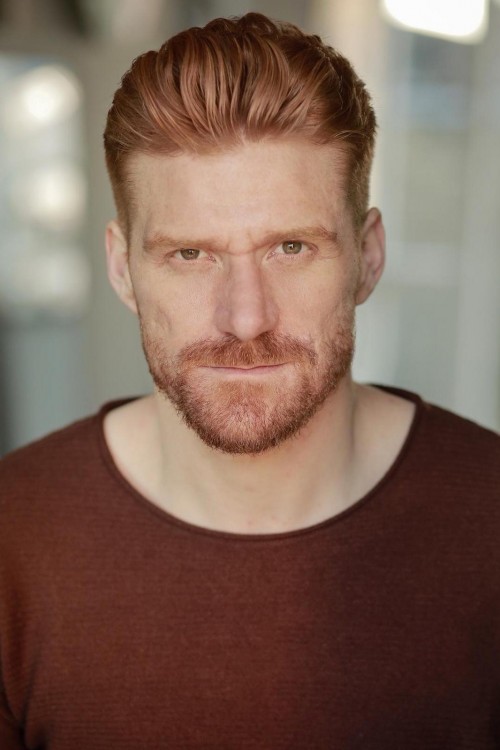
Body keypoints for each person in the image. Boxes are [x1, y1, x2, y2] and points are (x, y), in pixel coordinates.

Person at [1, 12, 499, 750]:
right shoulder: (13, 536)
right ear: (122, 270)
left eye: (290, 247)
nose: (244, 319)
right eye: (190, 255)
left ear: (367, 256)